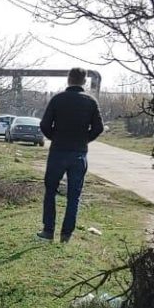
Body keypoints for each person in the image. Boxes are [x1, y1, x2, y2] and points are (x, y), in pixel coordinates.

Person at [37, 67, 105, 242]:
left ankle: (48, 231)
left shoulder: (58, 99)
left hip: (58, 151)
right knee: (74, 195)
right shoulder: (90, 102)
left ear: (69, 79)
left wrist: (55, 137)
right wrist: (84, 140)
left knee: (50, 191)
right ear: (84, 81)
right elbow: (99, 128)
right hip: (79, 153)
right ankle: (66, 235)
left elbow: (44, 125)